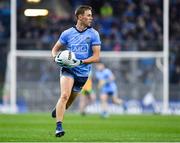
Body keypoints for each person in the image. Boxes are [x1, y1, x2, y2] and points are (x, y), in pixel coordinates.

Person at [51, 5, 101, 137]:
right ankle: (59, 127)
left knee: (67, 104)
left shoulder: (94, 34)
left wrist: (80, 62)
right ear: (80, 17)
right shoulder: (67, 33)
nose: (91, 17)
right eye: (88, 15)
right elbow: (54, 50)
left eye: (91, 15)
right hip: (68, 70)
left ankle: (58, 110)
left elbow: (96, 57)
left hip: (83, 74)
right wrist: (56, 58)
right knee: (64, 96)